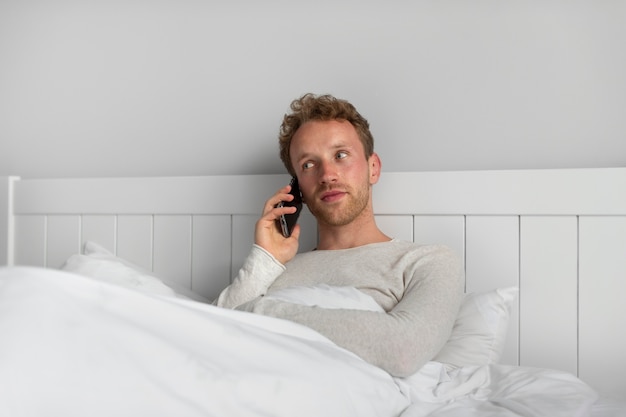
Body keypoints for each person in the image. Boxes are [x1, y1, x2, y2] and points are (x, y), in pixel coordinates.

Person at [215, 93, 463, 377]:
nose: (327, 174)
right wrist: (266, 258)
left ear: (373, 168)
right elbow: (207, 338)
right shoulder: (272, 271)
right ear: (298, 191)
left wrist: (259, 314)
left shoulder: (427, 261)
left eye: (340, 155)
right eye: (309, 164)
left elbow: (402, 351)